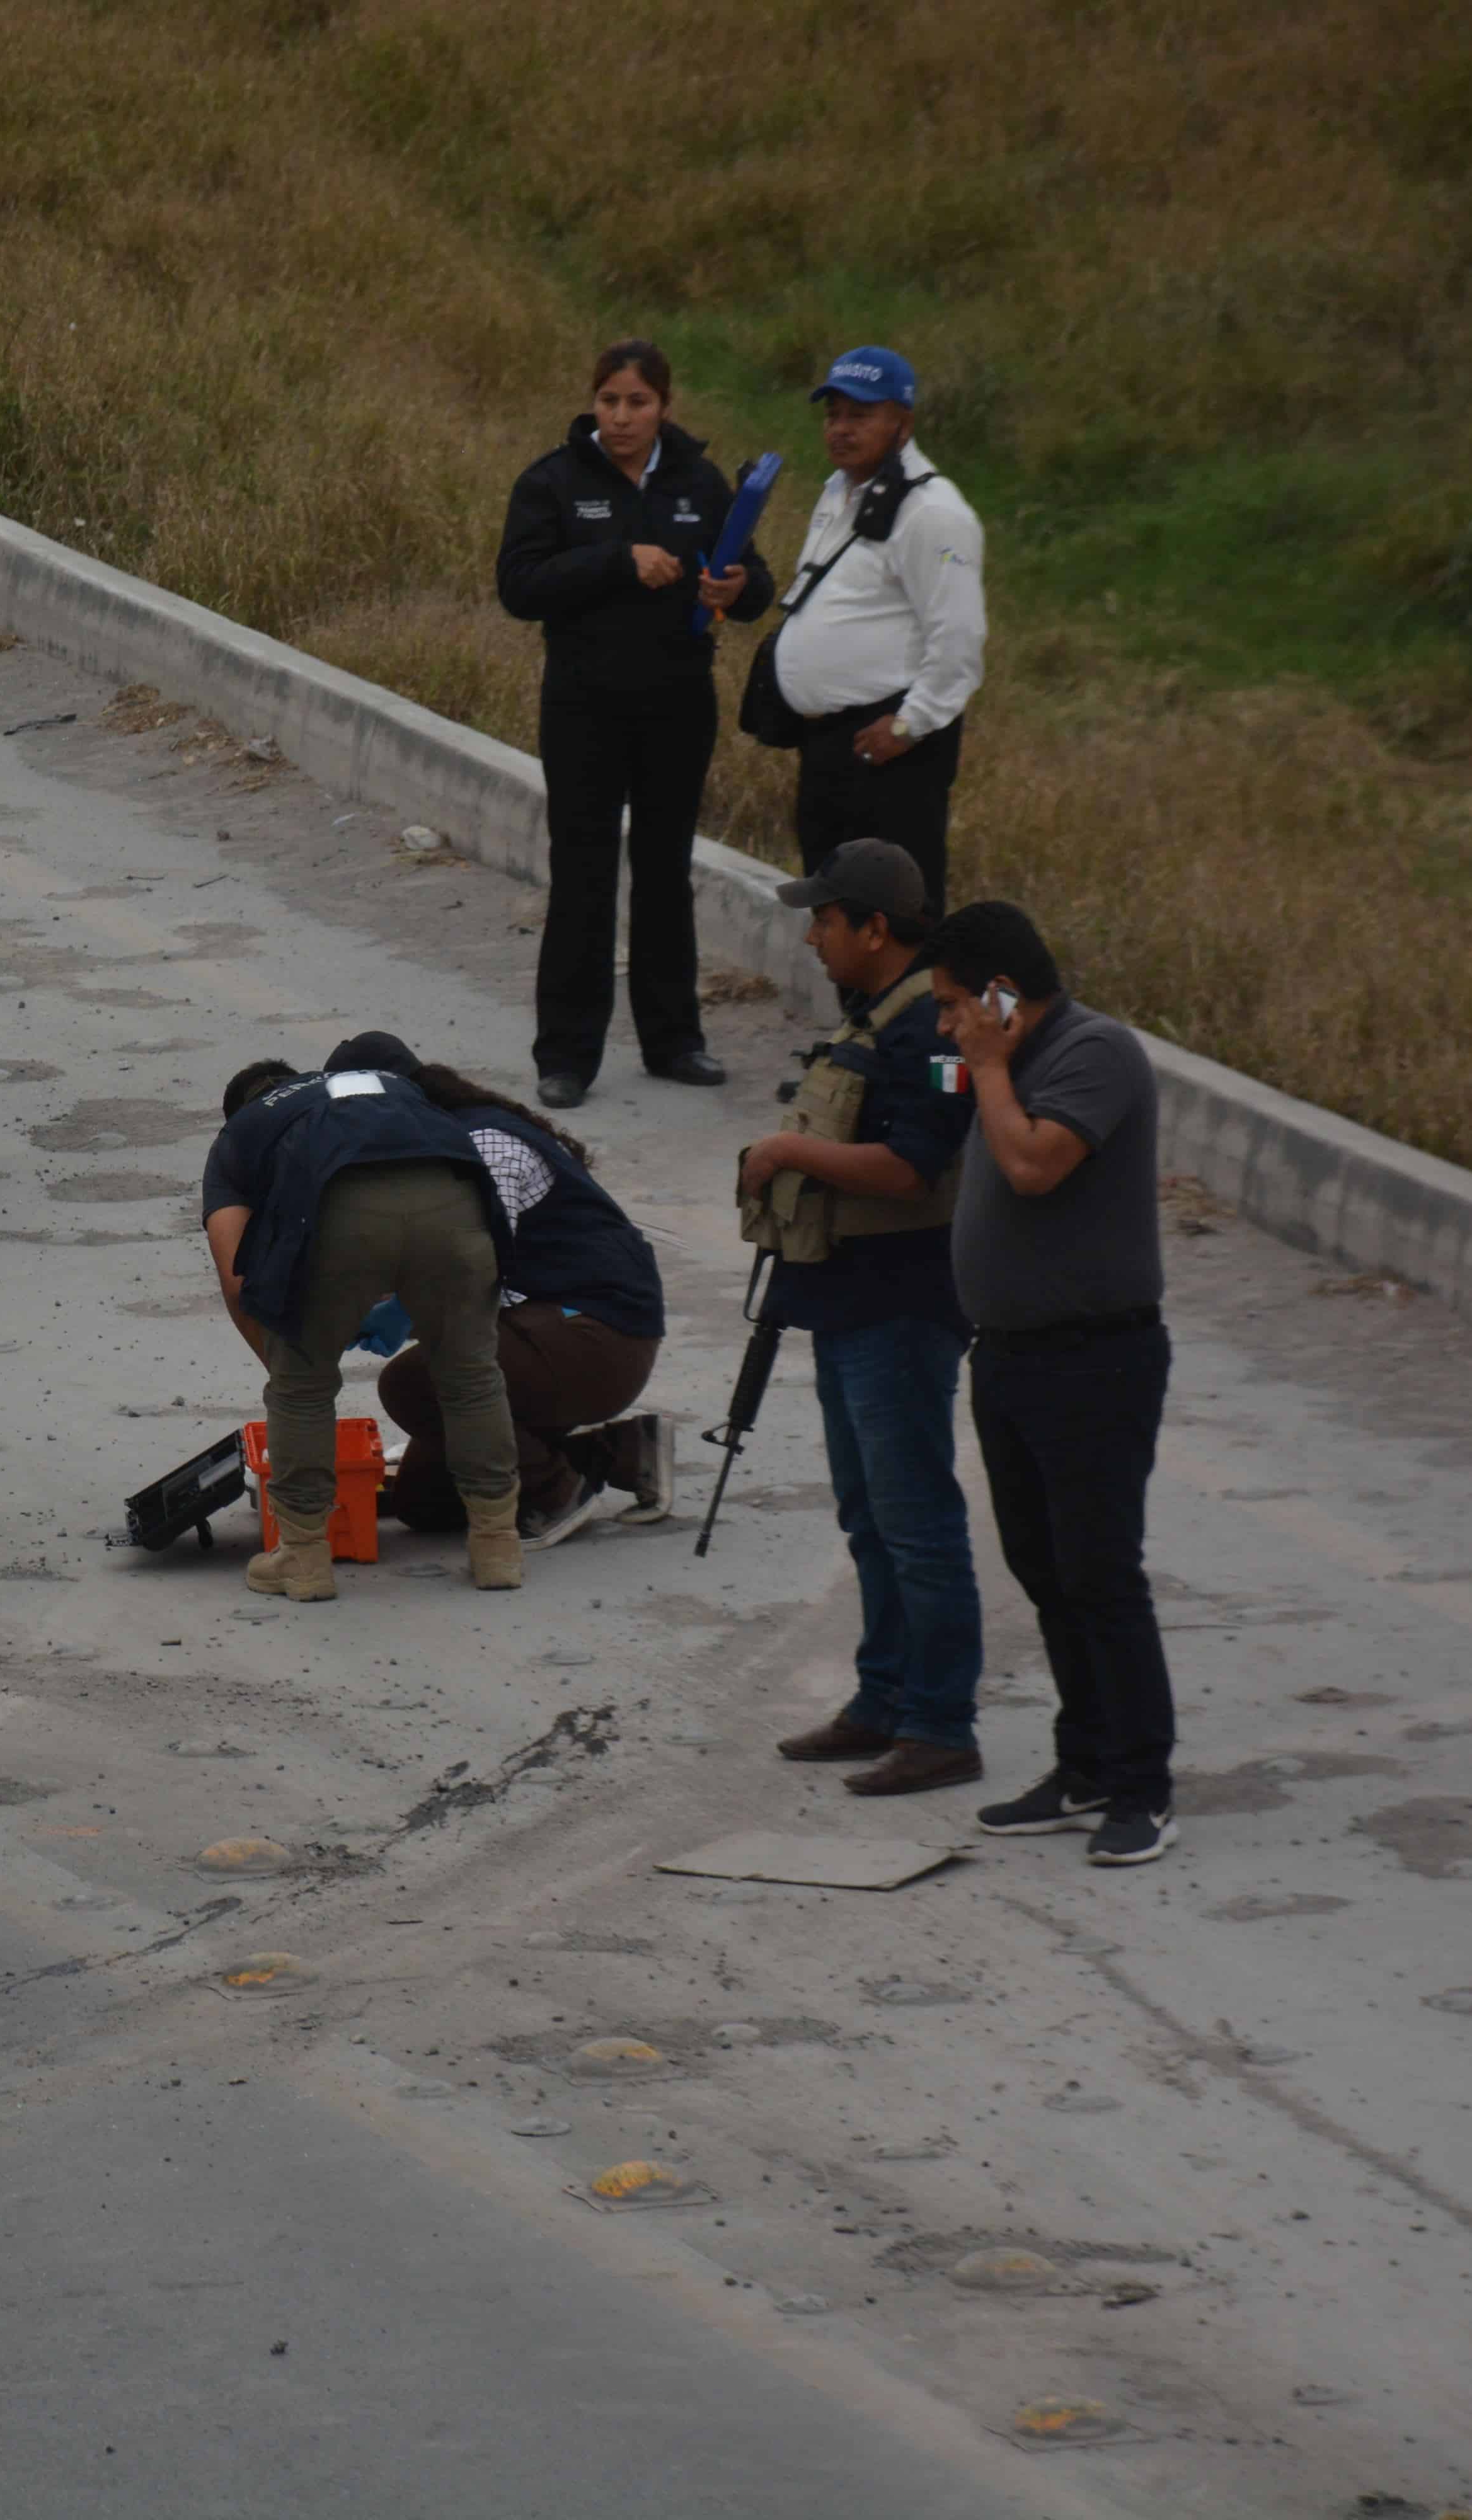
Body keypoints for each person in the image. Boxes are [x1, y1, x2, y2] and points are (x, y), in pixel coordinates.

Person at [921, 900, 1178, 1868]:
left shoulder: (1095, 1054)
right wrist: (976, 1063)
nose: (947, 1026)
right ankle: (1085, 1762)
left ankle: (1143, 1785)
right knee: (1042, 1565)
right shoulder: (1008, 1063)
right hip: (1012, 1355)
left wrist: (988, 1063)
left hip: (1095, 1358)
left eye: (955, 1006)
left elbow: (1033, 1168)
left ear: (1002, 995)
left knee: (1102, 1572)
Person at [737, 840, 985, 1798]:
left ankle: (941, 1724)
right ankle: (882, 1701)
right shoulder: (880, 1016)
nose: (814, 937)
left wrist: (788, 1150)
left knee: (916, 1520)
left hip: (901, 1305)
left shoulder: (927, 1025)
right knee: (869, 1517)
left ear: (875, 928)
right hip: (847, 1301)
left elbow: (913, 1166)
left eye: (828, 920)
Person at [495, 340, 769, 1105]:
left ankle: (675, 1039)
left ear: (664, 408)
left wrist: (737, 587)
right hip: (583, 706)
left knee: (664, 872)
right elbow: (519, 585)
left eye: (638, 402)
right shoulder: (553, 482)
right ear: (594, 403)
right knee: (582, 874)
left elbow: (754, 583)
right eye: (610, 401)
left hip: (678, 704)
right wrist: (618, 560)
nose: (622, 416)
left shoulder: (698, 481)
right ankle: (567, 1056)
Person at [200, 1049, 522, 1598]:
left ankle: (303, 1559)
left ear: (238, 1111)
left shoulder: (241, 1135)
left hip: (339, 1216)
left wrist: (292, 1366)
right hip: (456, 1200)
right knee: (470, 1374)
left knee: (302, 1391)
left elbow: (237, 1278)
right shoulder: (378, 1088)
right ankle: (497, 1545)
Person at [362, 1036, 662, 1549]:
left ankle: (555, 1493)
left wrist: (401, 1312)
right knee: (425, 1503)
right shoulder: (443, 1146)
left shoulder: (485, 1143)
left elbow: (473, 1267)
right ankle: (628, 1452)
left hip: (598, 1334)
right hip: (551, 1332)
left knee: (413, 1384)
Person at [763, 347, 987, 913]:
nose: (840, 430)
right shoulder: (839, 490)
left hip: (888, 755)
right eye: (833, 414)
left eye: (860, 416)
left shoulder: (933, 513)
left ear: (902, 424)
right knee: (836, 920)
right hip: (828, 747)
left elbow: (958, 639)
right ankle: (854, 1008)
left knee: (897, 925)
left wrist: (911, 726)